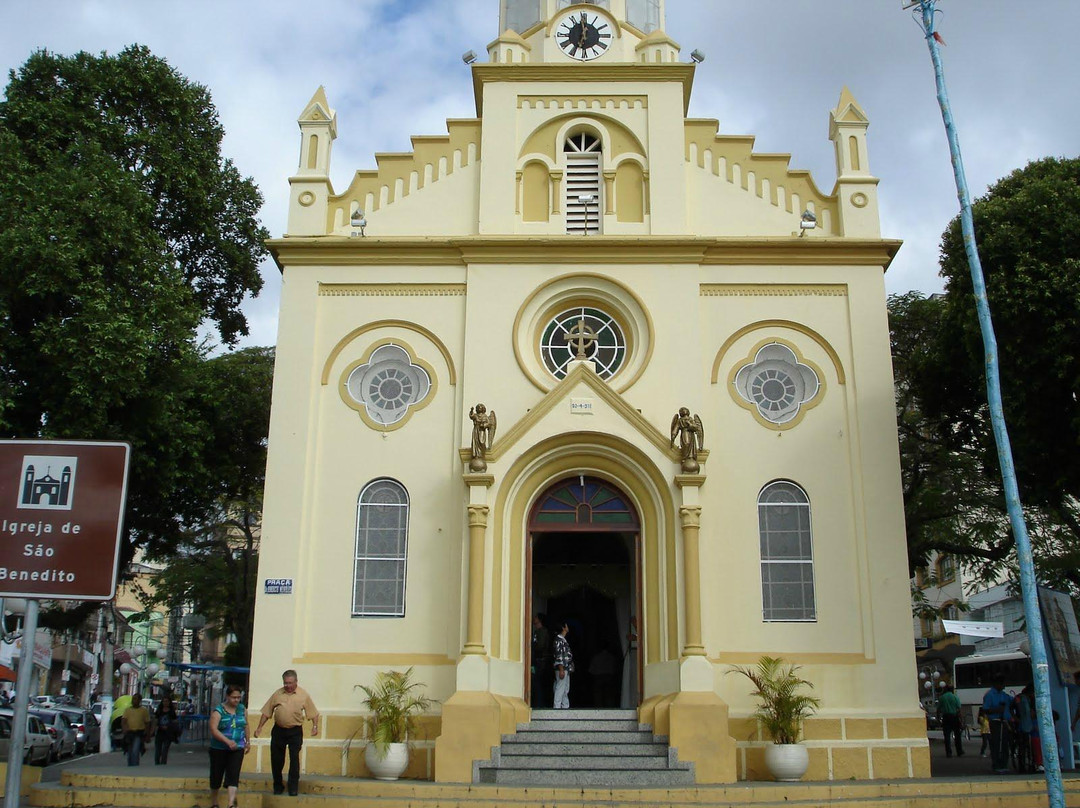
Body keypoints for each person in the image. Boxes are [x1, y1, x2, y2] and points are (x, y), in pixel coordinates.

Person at [254, 669, 320, 796]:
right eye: (285, 683)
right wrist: (259, 727)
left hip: (295, 731)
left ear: (296, 681)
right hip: (279, 730)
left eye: (290, 683)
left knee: (294, 759)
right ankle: (278, 785)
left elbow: (313, 712)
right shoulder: (277, 694)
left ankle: (293, 787)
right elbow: (267, 711)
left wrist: (315, 726)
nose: (288, 686)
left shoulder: (303, 695)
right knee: (277, 759)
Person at [209, 685, 249, 808]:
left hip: (237, 747)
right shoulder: (219, 711)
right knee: (216, 775)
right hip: (219, 748)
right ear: (227, 696)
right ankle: (215, 802)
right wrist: (227, 741)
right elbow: (213, 729)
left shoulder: (242, 709)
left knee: (233, 774)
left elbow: (245, 725)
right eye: (233, 697)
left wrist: (248, 741)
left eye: (238, 697)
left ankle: (231, 803)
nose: (236, 700)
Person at [982, 677, 1013, 773]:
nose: (1004, 686)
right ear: (997, 684)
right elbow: (985, 709)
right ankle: (996, 764)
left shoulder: (1004, 695)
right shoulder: (990, 695)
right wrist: (997, 710)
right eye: (1002, 684)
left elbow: (1012, 701)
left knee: (1004, 744)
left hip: (1005, 722)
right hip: (995, 721)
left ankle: (1004, 763)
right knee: (996, 743)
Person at [121, 692, 152, 766]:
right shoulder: (127, 710)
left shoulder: (143, 710)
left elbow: (147, 723)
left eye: (135, 699)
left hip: (138, 733)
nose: (134, 700)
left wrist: (148, 735)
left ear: (139, 701)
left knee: (135, 750)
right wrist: (125, 729)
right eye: (133, 699)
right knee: (129, 751)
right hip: (129, 733)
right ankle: (130, 765)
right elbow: (124, 721)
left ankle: (135, 766)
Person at [530, 613, 552, 709]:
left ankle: (539, 704)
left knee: (537, 683)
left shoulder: (542, 631)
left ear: (539, 619)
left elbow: (541, 645)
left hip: (540, 660)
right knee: (535, 683)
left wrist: (532, 647)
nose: (533, 619)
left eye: (535, 617)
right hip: (536, 660)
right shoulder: (537, 631)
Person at [937, 684, 964, 757]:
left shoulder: (942, 698)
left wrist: (938, 718)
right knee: (957, 735)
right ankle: (959, 751)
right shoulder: (955, 697)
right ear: (952, 690)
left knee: (947, 736)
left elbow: (938, 709)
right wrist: (961, 721)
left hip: (946, 717)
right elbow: (959, 710)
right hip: (954, 717)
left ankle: (949, 752)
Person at [552, 621, 574, 710]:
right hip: (562, 668)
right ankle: (557, 707)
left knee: (565, 688)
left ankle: (565, 706)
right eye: (566, 626)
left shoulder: (562, 639)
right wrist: (561, 668)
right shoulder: (558, 640)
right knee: (560, 687)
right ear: (563, 628)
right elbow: (559, 655)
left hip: (566, 668)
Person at [153, 694, 180, 765]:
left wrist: (170, 725)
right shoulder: (159, 711)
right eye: (164, 701)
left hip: (168, 733)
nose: (165, 703)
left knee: (165, 750)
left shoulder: (171, 711)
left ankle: (163, 764)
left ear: (169, 702)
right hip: (160, 732)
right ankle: (157, 763)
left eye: (167, 701)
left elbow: (175, 721)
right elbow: (155, 720)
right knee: (158, 750)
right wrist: (153, 730)